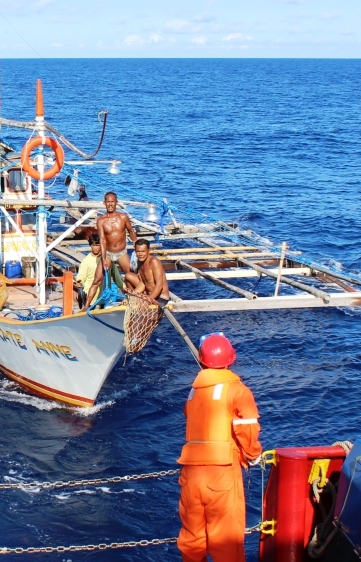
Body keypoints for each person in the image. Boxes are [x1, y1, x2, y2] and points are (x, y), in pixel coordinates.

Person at [177, 333, 262, 562]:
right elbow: (247, 429)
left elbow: (190, 416)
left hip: (191, 475)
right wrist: (253, 455)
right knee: (226, 542)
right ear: (231, 360)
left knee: (192, 540)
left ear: (202, 360)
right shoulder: (237, 390)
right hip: (221, 475)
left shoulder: (194, 391)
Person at [87, 192, 141, 303]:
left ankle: (134, 300)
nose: (110, 204)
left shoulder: (123, 217)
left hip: (121, 253)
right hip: (108, 253)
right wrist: (103, 258)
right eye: (108, 202)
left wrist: (137, 246)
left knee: (131, 276)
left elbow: (131, 231)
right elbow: (102, 240)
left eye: (112, 202)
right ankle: (86, 306)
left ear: (116, 203)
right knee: (97, 280)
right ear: (104, 203)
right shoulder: (101, 221)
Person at [134, 238, 169, 307]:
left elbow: (159, 285)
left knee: (139, 308)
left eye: (143, 251)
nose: (140, 254)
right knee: (128, 276)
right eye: (138, 251)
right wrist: (132, 296)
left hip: (161, 298)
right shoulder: (140, 261)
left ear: (148, 251)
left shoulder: (154, 262)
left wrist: (147, 301)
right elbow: (143, 283)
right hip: (150, 296)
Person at [75, 234, 102, 308]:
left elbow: (116, 276)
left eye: (97, 245)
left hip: (103, 297)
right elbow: (81, 274)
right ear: (90, 246)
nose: (95, 248)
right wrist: (79, 281)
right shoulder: (86, 260)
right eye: (93, 245)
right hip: (90, 297)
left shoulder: (106, 260)